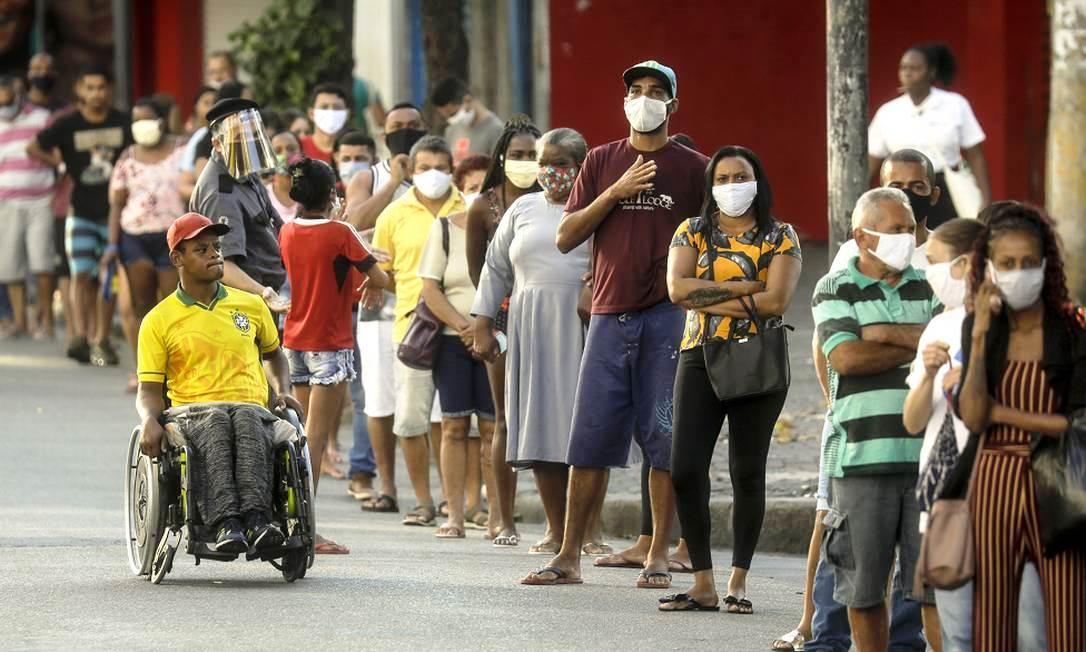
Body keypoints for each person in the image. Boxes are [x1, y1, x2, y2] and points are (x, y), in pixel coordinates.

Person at [522, 60, 708, 587]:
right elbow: (566, 236)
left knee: (664, 437)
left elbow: (713, 240)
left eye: (655, 92)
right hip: (607, 314)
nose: (643, 99)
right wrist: (615, 191)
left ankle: (658, 554)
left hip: (669, 317)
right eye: (635, 90)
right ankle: (568, 556)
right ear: (623, 100)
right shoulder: (602, 160)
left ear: (673, 105)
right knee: (589, 439)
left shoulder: (695, 168)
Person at [780, 148, 941, 652]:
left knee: (931, 591)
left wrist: (880, 333)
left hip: (926, 460)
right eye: (893, 229)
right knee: (863, 589)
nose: (905, 238)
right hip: (861, 459)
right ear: (862, 236)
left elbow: (951, 343)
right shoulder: (835, 286)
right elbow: (845, 358)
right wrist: (915, 339)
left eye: (909, 227)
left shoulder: (932, 281)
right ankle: (819, 633)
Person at [662, 146, 802, 613]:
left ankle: (738, 579)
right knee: (684, 469)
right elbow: (678, 290)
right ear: (710, 186)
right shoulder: (692, 231)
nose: (731, 185)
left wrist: (707, 296)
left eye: (740, 175)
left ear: (757, 181)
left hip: (756, 358)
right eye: (721, 178)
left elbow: (777, 302)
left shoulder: (782, 237)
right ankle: (702, 581)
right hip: (699, 354)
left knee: (747, 470)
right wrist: (747, 289)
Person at [901, 211, 1049, 652]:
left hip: (1012, 498)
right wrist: (928, 376)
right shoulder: (940, 325)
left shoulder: (1024, 325)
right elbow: (911, 422)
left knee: (1028, 636)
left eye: (936, 260)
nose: (928, 271)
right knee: (958, 636)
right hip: (948, 502)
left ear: (968, 264)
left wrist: (976, 376)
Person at [956, 203, 1086, 652]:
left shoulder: (1072, 329)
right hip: (993, 481)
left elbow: (1072, 424)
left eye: (1029, 263)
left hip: (1061, 483)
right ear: (989, 268)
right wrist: (978, 337)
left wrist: (1003, 414)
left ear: (1046, 264)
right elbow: (972, 415)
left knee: (1071, 620)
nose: (1019, 273)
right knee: (992, 621)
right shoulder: (982, 326)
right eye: (1007, 264)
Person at [135, 212, 301, 551]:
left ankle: (256, 519)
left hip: (250, 406)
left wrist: (283, 390)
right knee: (215, 420)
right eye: (202, 249)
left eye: (217, 247)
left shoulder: (250, 305)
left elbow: (273, 355)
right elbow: (149, 390)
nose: (215, 254)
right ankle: (226, 522)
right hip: (192, 411)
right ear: (177, 258)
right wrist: (149, 419)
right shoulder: (158, 320)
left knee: (245, 417)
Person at [472, 127, 592, 553]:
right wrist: (483, 323)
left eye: (560, 164)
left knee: (583, 428)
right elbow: (495, 268)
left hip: (581, 327)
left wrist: (594, 283)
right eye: (544, 163)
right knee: (540, 427)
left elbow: (612, 257)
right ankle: (557, 530)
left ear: (580, 166)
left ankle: (586, 532)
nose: (549, 172)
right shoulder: (522, 208)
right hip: (529, 326)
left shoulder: (596, 207)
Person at [279, 157, 387, 554]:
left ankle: (289, 516)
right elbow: (380, 277)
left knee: (300, 434)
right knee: (317, 441)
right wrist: (348, 228)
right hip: (331, 341)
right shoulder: (342, 232)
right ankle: (305, 528)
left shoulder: (287, 231)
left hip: (295, 341)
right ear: (332, 195)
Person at [370, 135, 465, 527]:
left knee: (453, 421)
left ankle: (453, 502)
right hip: (413, 328)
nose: (432, 175)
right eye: (424, 168)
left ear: (452, 170)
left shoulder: (469, 209)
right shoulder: (393, 214)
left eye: (440, 167)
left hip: (459, 328)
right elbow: (384, 274)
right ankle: (424, 501)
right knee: (410, 421)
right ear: (410, 170)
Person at [463, 115, 541, 545]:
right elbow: (480, 272)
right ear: (502, 158)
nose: (525, 162)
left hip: (547, 317)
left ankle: (563, 523)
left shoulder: (554, 201)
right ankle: (502, 518)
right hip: (502, 319)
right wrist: (488, 321)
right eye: (518, 155)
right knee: (503, 417)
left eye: (532, 155)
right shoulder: (484, 206)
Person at [346, 102, 428, 514]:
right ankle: (387, 486)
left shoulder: (437, 171)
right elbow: (352, 220)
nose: (406, 132)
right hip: (379, 301)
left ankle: (436, 494)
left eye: (414, 126)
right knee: (379, 397)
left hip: (427, 300)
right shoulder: (369, 176)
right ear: (384, 135)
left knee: (433, 401)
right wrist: (394, 180)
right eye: (398, 127)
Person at [27, 65, 132, 365]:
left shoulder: (123, 122)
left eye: (101, 87)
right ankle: (81, 337)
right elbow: (33, 146)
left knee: (108, 278)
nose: (96, 94)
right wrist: (60, 164)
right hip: (80, 212)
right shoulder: (68, 123)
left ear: (109, 90)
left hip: (114, 214)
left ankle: (102, 338)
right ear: (80, 91)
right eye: (90, 88)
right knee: (81, 275)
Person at [418, 181, 497, 539]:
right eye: (471, 184)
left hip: (498, 339)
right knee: (453, 426)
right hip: (452, 341)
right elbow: (430, 287)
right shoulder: (445, 228)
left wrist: (485, 328)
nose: (479, 191)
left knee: (494, 429)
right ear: (461, 188)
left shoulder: (508, 225)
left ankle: (498, 516)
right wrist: (467, 326)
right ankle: (455, 516)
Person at [102, 97, 185, 389]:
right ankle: (143, 370)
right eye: (136, 120)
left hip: (172, 235)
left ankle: (174, 370)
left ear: (162, 121)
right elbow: (116, 204)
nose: (141, 126)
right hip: (134, 236)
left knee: (172, 303)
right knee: (143, 306)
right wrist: (112, 245)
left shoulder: (182, 150)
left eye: (147, 119)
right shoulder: (127, 157)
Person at [868, 43, 990, 225]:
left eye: (915, 68)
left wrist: (985, 199)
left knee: (948, 246)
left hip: (945, 190)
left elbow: (975, 155)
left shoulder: (955, 105)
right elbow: (872, 161)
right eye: (903, 68)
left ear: (931, 72)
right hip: (901, 191)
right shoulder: (888, 112)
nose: (907, 73)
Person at [189, 97, 288, 315]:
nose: (249, 143)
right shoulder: (221, 193)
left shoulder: (245, 173)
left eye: (254, 135)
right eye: (240, 137)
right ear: (217, 144)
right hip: (241, 308)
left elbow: (280, 229)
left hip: (263, 301)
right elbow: (222, 266)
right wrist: (265, 293)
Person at [0, 74, 56, 340]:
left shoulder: (42, 118)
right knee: (10, 265)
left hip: (41, 200)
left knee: (42, 263)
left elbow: (58, 154)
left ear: (17, 93)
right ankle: (20, 321)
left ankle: (44, 320)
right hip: (7, 201)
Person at [430, 77, 504, 165]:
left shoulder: (496, 130)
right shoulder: (451, 130)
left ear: (467, 100)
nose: (451, 120)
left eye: (453, 114)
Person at [301, 83, 351, 165]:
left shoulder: (356, 150)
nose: (331, 112)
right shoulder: (298, 148)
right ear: (311, 113)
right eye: (324, 107)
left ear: (347, 114)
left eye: (337, 107)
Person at [265, 131, 302, 223]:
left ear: (301, 153)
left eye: (291, 149)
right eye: (278, 151)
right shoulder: (262, 196)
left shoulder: (314, 193)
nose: (285, 155)